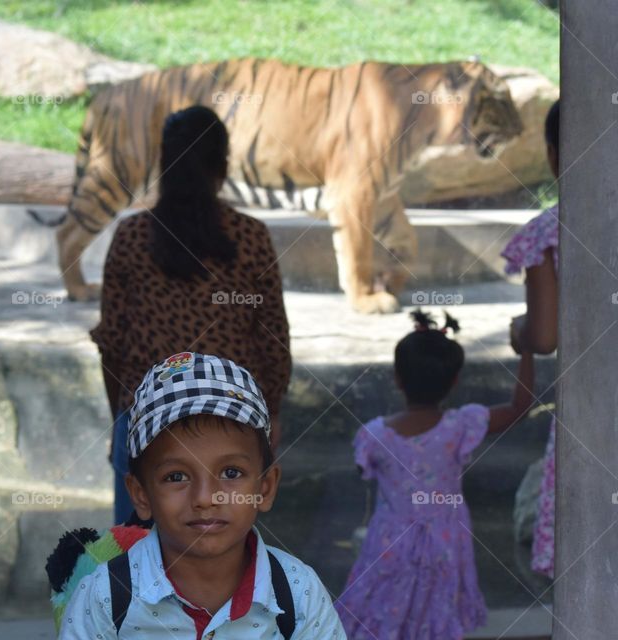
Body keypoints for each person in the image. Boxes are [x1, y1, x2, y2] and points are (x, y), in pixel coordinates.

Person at [89, 106, 292, 524]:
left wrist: (123, 419)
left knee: (136, 561)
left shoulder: (131, 238)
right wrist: (269, 415)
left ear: (164, 164)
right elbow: (273, 341)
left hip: (148, 422)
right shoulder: (251, 238)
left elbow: (112, 343)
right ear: (222, 165)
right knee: (224, 558)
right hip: (232, 421)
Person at [59, 352, 346, 639]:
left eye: (231, 473)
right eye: (176, 477)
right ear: (141, 494)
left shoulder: (298, 593)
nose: (206, 498)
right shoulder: (106, 599)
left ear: (265, 488)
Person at [335, 310, 535, 639]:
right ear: (454, 381)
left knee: (379, 616)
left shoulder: (373, 437)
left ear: (397, 377)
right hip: (446, 541)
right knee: (433, 620)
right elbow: (520, 407)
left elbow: (363, 470)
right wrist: (526, 348)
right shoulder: (461, 426)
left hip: (389, 543)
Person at [503, 99, 560, 578]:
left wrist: (519, 331)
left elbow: (544, 336)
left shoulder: (546, 234)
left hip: (593, 407)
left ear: (553, 154)